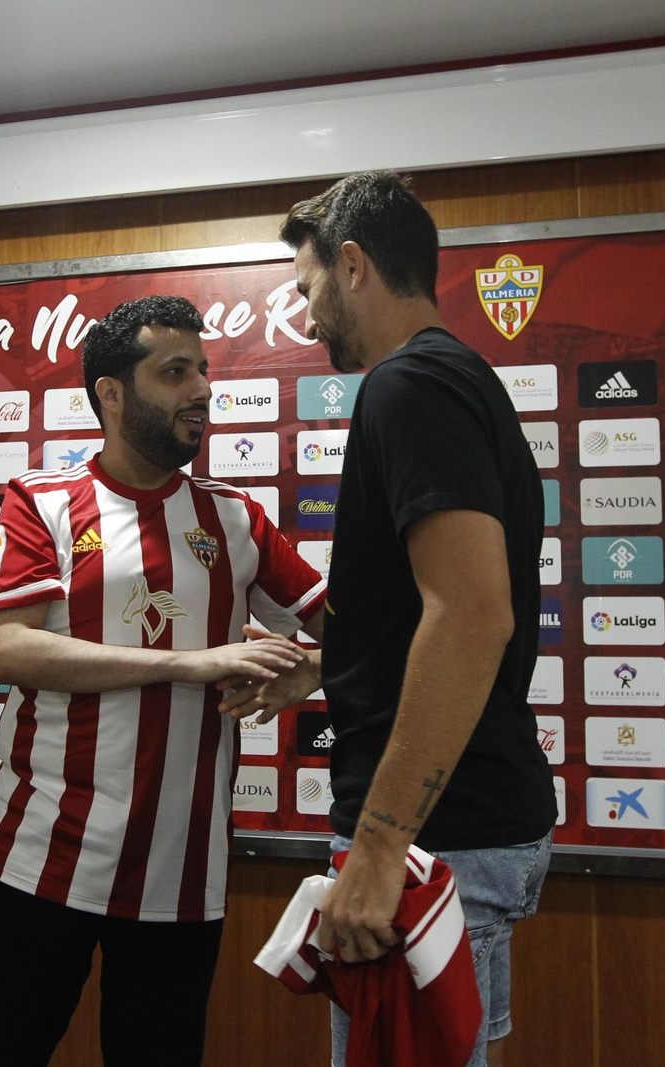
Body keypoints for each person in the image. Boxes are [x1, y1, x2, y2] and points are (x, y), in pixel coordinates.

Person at [0, 295, 328, 1067]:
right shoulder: (41, 503)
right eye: (175, 372)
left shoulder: (236, 518)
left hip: (179, 881)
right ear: (111, 393)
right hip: (38, 863)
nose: (200, 392)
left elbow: (358, 633)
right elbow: (11, 651)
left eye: (204, 373)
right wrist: (193, 661)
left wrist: (314, 668)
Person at [225, 172, 556, 1067]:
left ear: (355, 264)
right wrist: (335, 664)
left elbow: (473, 614)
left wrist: (379, 847)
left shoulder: (408, 386)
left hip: (434, 841)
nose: (308, 313)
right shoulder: (451, 381)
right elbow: (429, 607)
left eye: (309, 289)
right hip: (459, 832)